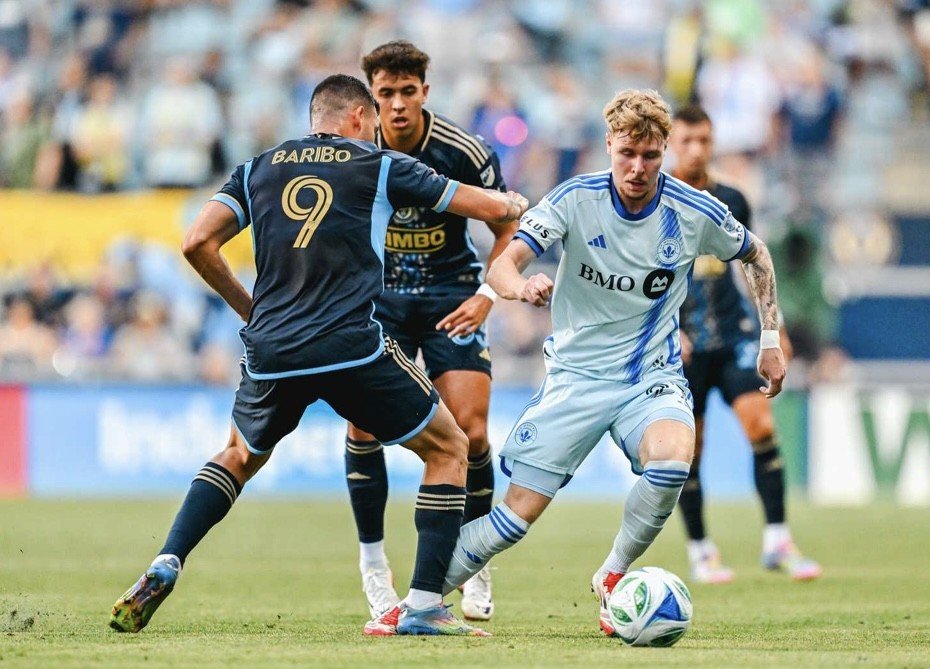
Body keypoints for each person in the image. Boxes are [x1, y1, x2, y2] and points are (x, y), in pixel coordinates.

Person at [108, 74, 528, 637]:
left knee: (237, 455)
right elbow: (485, 205)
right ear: (358, 117)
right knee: (450, 448)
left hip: (273, 347)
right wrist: (513, 201)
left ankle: (168, 558)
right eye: (373, 121)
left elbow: (195, 242)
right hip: (350, 346)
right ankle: (426, 605)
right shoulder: (378, 163)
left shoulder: (259, 167)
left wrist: (250, 309)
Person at [365, 88, 786, 636]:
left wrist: (770, 338)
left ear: (664, 151)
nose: (637, 168)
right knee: (513, 519)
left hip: (649, 378)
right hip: (575, 379)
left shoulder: (694, 210)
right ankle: (418, 603)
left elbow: (756, 254)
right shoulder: (573, 199)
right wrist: (521, 286)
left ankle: (612, 576)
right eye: (627, 154)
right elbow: (504, 265)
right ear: (609, 145)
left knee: (673, 460)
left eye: (650, 156)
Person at [345, 40, 511, 624]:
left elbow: (508, 222)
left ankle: (475, 558)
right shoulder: (355, 152)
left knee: (472, 431)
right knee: (363, 426)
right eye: (385, 94)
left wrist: (488, 295)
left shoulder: (463, 151)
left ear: (425, 93)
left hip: (451, 295)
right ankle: (373, 564)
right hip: (381, 300)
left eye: (407, 92)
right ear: (371, 98)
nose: (396, 105)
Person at [668, 104, 821, 584]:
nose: (696, 150)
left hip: (734, 333)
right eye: (687, 141)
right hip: (681, 345)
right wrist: (663, 329)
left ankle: (778, 541)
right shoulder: (655, 199)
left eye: (704, 141)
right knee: (689, 450)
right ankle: (701, 549)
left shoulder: (731, 198)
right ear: (671, 144)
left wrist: (774, 331)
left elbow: (753, 266)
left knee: (761, 426)